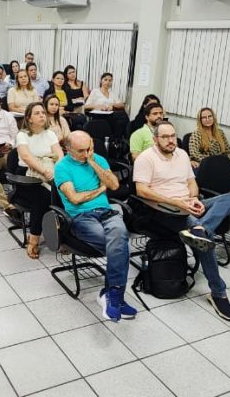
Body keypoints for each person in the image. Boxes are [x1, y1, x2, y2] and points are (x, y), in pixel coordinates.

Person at [134, 121, 230, 321]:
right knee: (206, 244)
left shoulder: (182, 154)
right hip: (165, 209)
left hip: (188, 203)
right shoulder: (146, 158)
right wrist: (177, 203)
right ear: (156, 139)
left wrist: (193, 199)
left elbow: (191, 182)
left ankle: (201, 228)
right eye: (165, 137)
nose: (170, 140)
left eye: (173, 136)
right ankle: (218, 293)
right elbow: (142, 191)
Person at [55, 131, 137, 321]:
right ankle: (114, 295)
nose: (86, 154)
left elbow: (114, 185)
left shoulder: (97, 159)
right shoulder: (62, 167)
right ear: (68, 149)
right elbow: (75, 199)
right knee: (119, 244)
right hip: (81, 217)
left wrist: (93, 163)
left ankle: (112, 295)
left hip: (106, 212)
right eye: (81, 151)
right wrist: (100, 189)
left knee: (119, 235)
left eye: (89, 148)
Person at [16, 102, 64, 259]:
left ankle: (62, 237)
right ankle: (34, 239)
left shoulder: (49, 134)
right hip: (27, 176)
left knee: (66, 192)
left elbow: (59, 155)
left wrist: (55, 172)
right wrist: (44, 171)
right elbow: (26, 157)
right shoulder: (22, 135)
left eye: (43, 112)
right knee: (43, 198)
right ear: (29, 118)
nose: (42, 115)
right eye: (37, 113)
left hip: (51, 171)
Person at [189, 107, 230, 187]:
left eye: (210, 116)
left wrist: (226, 160)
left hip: (221, 162)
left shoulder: (220, 133)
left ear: (213, 118)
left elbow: (228, 150)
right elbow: (194, 153)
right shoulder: (196, 134)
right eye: (204, 118)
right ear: (200, 120)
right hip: (206, 165)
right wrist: (214, 162)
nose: (207, 119)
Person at [85, 72, 129, 138]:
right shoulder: (95, 91)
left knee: (121, 119)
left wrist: (112, 105)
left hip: (110, 114)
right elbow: (86, 106)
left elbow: (122, 104)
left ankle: (116, 139)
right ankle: (122, 138)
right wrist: (98, 106)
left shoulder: (112, 93)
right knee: (122, 116)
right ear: (101, 81)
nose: (108, 82)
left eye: (110, 80)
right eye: (105, 80)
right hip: (98, 115)